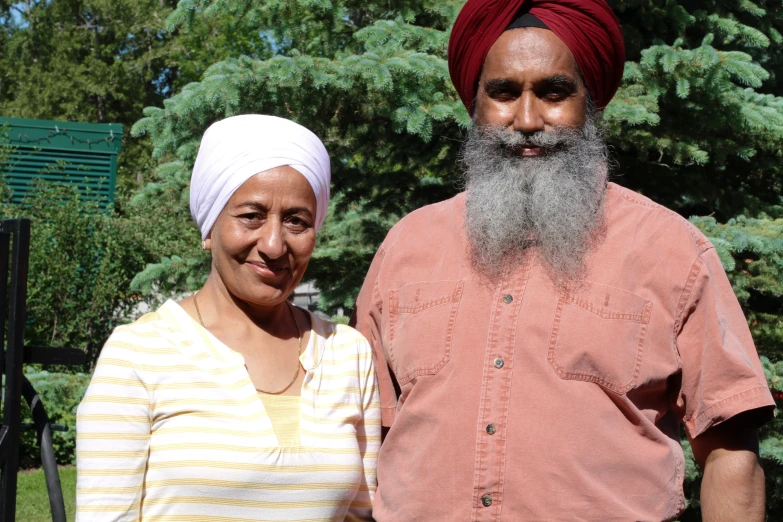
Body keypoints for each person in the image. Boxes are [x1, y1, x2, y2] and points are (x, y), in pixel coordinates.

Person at [352, 1, 775, 520]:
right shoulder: (406, 247)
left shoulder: (671, 250)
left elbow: (730, 447)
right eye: (503, 93)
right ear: (476, 104)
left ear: (590, 102)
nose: (527, 120)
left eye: (554, 93)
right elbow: (365, 442)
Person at [77, 115, 380, 521]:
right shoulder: (140, 354)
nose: (274, 244)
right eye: (251, 216)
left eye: (296, 221)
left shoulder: (347, 354)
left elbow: (362, 515)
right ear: (209, 227)